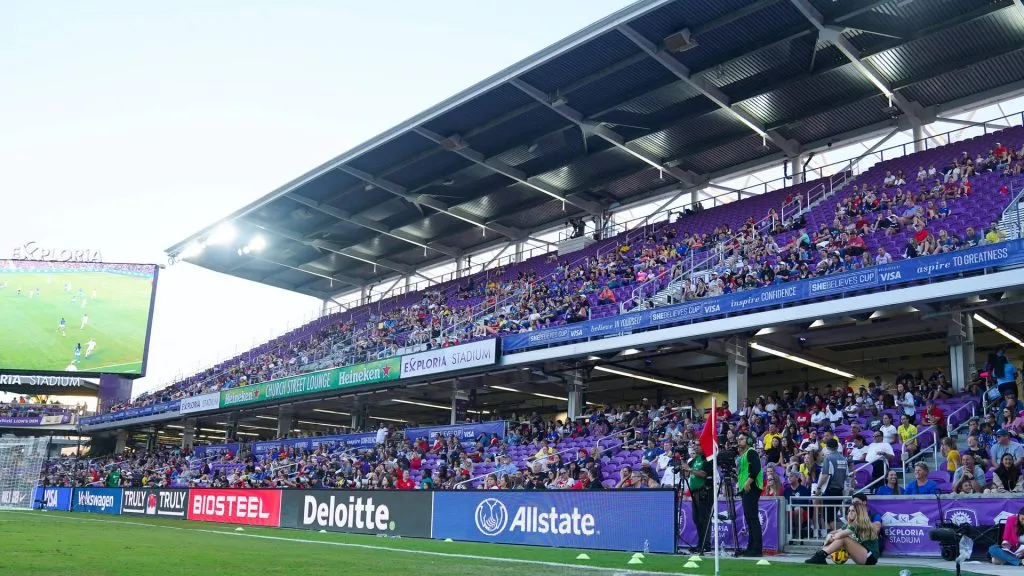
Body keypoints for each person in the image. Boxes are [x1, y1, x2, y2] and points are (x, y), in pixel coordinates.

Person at [805, 501, 879, 565]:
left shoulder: (860, 524)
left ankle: (820, 556)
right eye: (849, 511)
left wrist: (831, 539)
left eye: (853, 511)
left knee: (844, 538)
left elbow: (841, 535)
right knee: (839, 537)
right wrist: (830, 535)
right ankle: (821, 556)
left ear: (860, 513)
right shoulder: (849, 525)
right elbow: (835, 532)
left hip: (870, 556)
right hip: (862, 554)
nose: (850, 513)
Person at [682, 443, 712, 554]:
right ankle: (700, 544)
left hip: (704, 492)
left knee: (704, 519)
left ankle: (706, 544)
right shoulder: (696, 459)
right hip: (695, 493)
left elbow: (704, 474)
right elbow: (686, 470)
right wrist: (682, 460)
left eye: (699, 446)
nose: (697, 447)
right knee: (697, 519)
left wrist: (690, 470)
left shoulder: (708, 459)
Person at [736, 431, 763, 557]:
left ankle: (756, 549)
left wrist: (748, 482)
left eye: (741, 439)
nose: (739, 441)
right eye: (738, 439)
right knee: (750, 519)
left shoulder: (751, 451)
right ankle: (751, 547)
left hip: (750, 488)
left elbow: (756, 468)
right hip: (745, 489)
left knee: (752, 519)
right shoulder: (744, 455)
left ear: (748, 440)